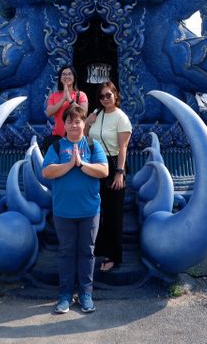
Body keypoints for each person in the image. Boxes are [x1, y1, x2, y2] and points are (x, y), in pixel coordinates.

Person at [42, 104, 108, 314]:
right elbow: (47, 172)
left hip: (89, 210)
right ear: (65, 124)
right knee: (66, 253)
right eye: (69, 121)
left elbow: (104, 170)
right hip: (64, 211)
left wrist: (81, 164)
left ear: (83, 123)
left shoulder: (91, 144)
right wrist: (69, 164)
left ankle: (86, 294)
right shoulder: (56, 147)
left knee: (87, 252)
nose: (73, 125)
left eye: (77, 121)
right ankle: (65, 295)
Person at [85, 81, 132, 272]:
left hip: (113, 165)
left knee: (113, 212)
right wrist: (88, 122)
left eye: (108, 95)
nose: (105, 99)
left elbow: (123, 148)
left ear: (115, 95)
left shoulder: (121, 118)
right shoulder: (99, 115)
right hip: (96, 162)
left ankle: (114, 255)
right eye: (102, 96)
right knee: (98, 208)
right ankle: (101, 247)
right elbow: (86, 136)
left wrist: (120, 173)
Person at [45, 65, 88, 140]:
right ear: (60, 78)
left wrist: (70, 100)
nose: (66, 76)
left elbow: (84, 112)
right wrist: (62, 100)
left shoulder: (81, 95)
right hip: (58, 137)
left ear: (74, 78)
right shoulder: (54, 95)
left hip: (76, 137)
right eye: (64, 74)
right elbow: (48, 113)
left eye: (69, 74)